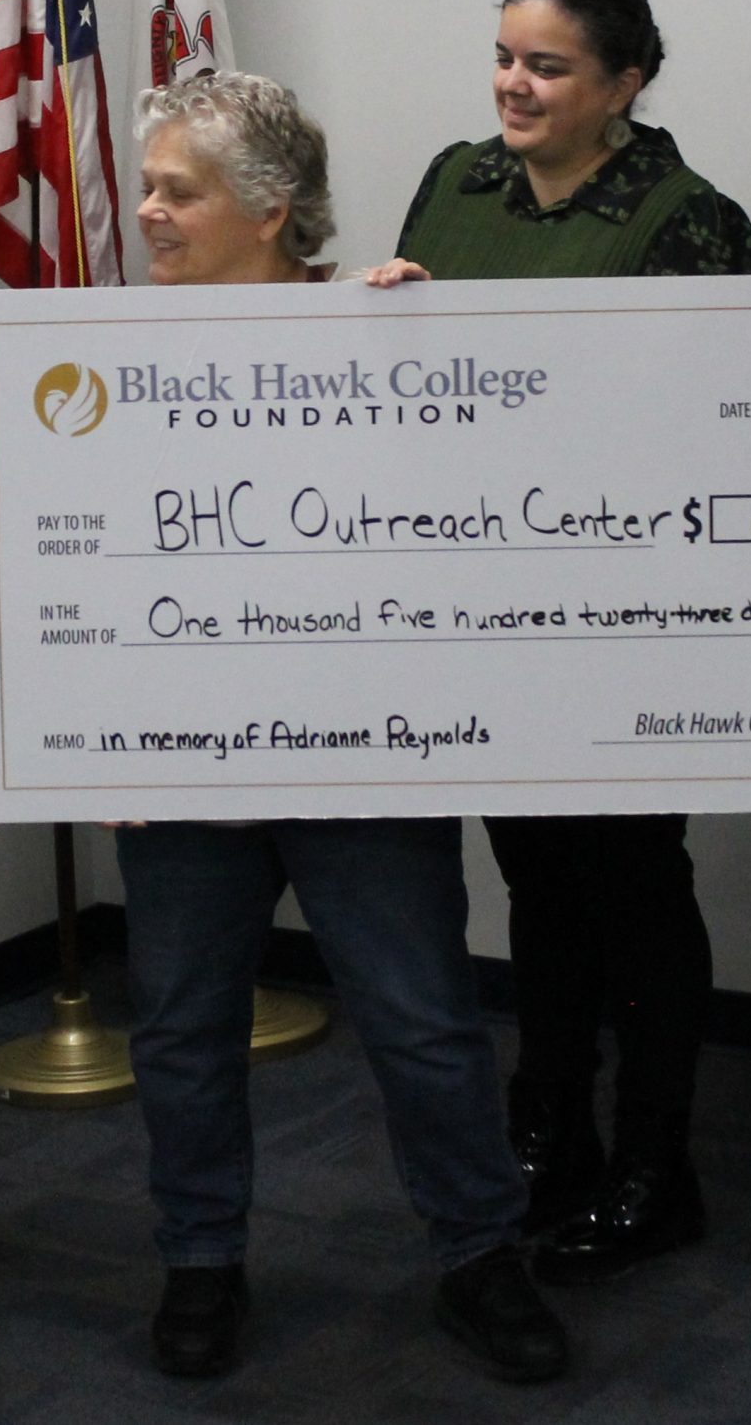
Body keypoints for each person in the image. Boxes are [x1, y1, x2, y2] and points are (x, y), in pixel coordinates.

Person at [117, 72, 565, 1384]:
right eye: (148, 185)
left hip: (365, 753)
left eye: (175, 191)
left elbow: (487, 502)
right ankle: (200, 1262)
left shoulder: (386, 333)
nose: (146, 212)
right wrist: (90, 735)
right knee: (183, 1031)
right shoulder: (102, 359)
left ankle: (482, 1257)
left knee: (424, 1022)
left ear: (269, 213)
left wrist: (423, 349)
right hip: (184, 760)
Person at [366, 0, 751, 1284]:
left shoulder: (688, 218)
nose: (512, 86)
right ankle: (553, 1132)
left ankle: (657, 1159)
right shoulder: (456, 180)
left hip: (625, 618)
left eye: (547, 67)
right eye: (504, 57)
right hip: (482, 605)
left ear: (626, 84)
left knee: (635, 889)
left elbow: (708, 433)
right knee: (535, 884)